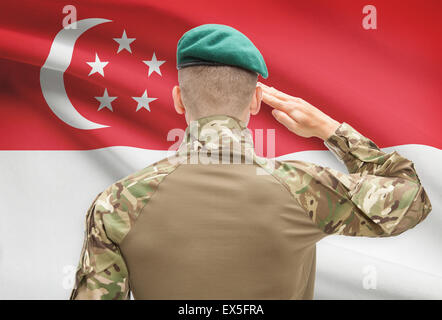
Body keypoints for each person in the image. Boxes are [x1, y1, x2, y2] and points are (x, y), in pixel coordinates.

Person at [70, 24, 432, 300]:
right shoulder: (306, 188)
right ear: (257, 101)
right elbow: (412, 198)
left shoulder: (116, 204)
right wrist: (331, 130)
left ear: (179, 100)